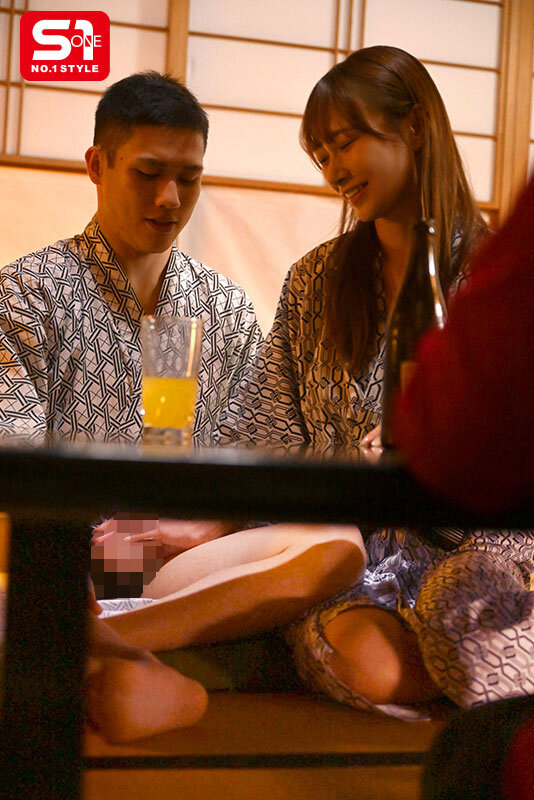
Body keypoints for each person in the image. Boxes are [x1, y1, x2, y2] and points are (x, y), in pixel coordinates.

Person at [0, 71, 262, 446]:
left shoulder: (228, 310)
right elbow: (13, 457)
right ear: (96, 166)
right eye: (148, 173)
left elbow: (250, 454)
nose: (170, 198)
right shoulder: (26, 294)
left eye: (188, 179)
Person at [393, 174, 534, 798]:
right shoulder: (311, 280)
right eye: (321, 150)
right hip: (358, 541)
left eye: (347, 140)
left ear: (414, 132)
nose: (335, 165)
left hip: (478, 544)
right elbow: (266, 431)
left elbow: (455, 437)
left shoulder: (481, 256)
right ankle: (117, 634)